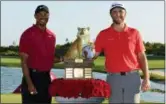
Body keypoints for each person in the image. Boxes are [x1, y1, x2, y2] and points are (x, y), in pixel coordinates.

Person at [92, 2, 150, 103]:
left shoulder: (135, 33)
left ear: (125, 14)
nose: (118, 14)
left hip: (133, 78)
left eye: (120, 11)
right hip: (113, 78)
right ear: (111, 15)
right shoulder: (103, 34)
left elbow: (142, 57)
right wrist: (84, 50)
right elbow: (94, 55)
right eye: (114, 12)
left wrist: (147, 78)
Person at [19, 5, 62, 104]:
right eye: (40, 14)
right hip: (31, 77)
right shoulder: (27, 34)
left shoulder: (52, 36)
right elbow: (24, 62)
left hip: (46, 79)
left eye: (45, 14)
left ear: (49, 16)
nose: (43, 16)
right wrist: (30, 83)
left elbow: (49, 59)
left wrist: (64, 59)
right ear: (35, 16)